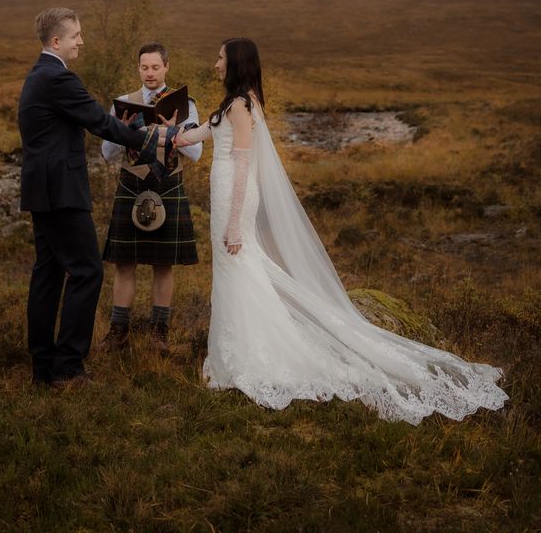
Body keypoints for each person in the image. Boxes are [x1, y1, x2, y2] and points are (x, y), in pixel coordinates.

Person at [174, 38, 508, 423]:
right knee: (235, 268)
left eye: (219, 57)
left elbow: (244, 166)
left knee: (240, 265)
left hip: (236, 198)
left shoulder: (242, 105)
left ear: (235, 63)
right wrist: (169, 132)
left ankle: (250, 354)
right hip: (223, 196)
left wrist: (234, 223)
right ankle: (230, 353)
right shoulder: (230, 105)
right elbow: (195, 136)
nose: (214, 63)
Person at [18, 7, 169, 388]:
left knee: (48, 273)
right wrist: (148, 138)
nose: (81, 41)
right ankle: (68, 367)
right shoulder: (58, 79)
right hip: (62, 192)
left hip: (42, 190)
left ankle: (43, 367)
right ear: (57, 41)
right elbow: (99, 121)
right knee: (87, 271)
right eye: (76, 36)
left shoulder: (39, 74)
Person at [100, 42, 201, 350]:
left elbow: (196, 153)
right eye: (145, 67)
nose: (150, 73)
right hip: (131, 185)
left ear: (166, 67)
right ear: (138, 68)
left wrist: (172, 131)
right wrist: (121, 129)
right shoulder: (124, 103)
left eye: (156, 67)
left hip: (168, 185)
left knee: (163, 264)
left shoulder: (186, 105)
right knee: (124, 263)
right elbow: (106, 153)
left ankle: (159, 334)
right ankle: (119, 334)